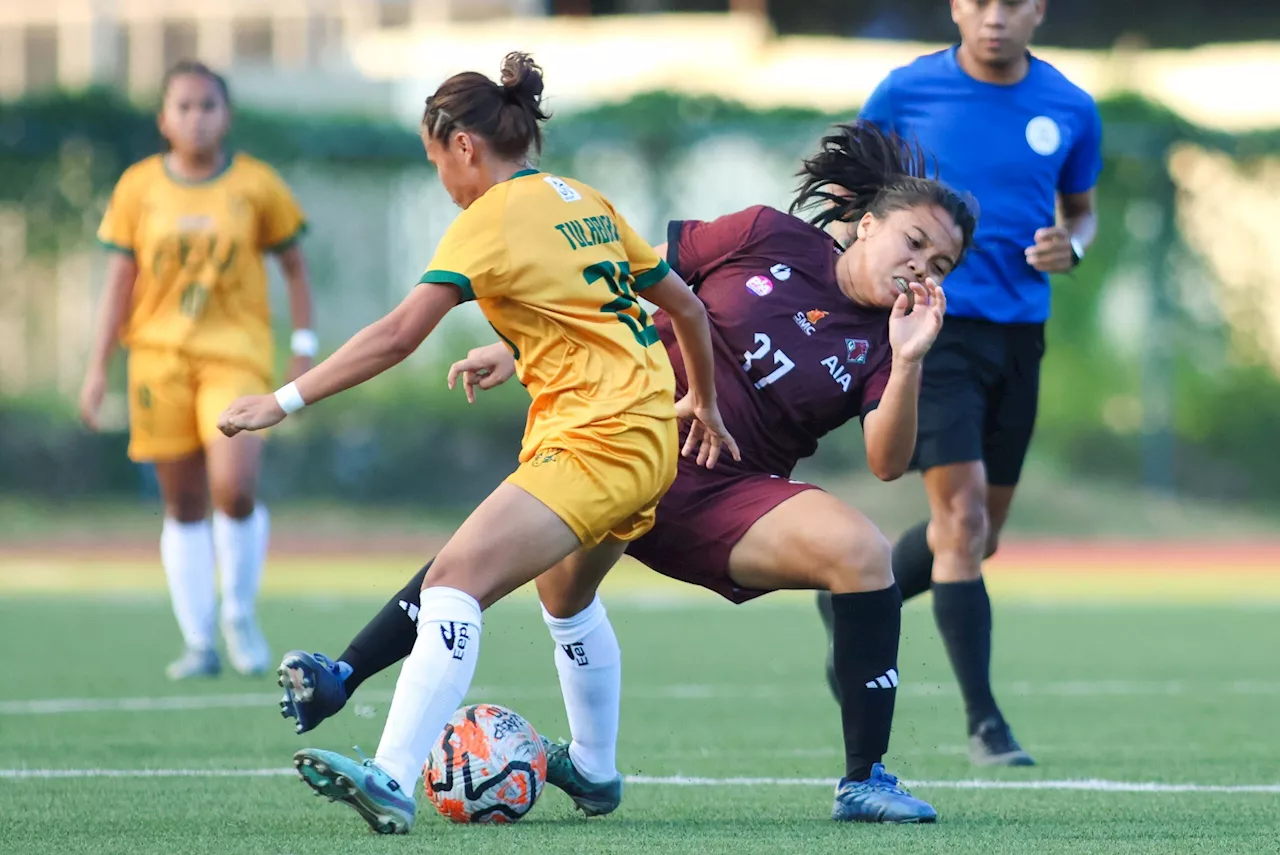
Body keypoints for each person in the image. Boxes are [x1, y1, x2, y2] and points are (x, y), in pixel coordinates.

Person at [273, 121, 977, 824]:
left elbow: (887, 463)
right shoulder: (767, 233)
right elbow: (622, 287)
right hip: (622, 435)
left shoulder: (895, 341)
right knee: (527, 580)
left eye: (942, 265)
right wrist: (515, 349)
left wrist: (910, 357)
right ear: (867, 223)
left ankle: (864, 779)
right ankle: (569, 759)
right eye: (915, 243)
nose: (924, 268)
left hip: (728, 495)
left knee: (863, 553)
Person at [217, 52, 735, 835]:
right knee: (566, 598)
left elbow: (396, 336)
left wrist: (282, 401)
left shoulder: (486, 217)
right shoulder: (582, 199)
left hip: (597, 437)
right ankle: (594, 769)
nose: (445, 185)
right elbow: (683, 309)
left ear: (463, 145)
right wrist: (701, 398)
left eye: (438, 164)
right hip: (647, 431)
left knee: (455, 578)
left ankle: (391, 776)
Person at [816, 0, 1103, 767]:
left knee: (978, 534)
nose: (995, 16)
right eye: (979, 1)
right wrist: (856, 282)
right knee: (964, 515)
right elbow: (855, 199)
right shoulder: (907, 90)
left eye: (1013, 3)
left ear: (1038, 10)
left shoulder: (1071, 107)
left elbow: (1082, 213)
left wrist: (1070, 247)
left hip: (1019, 336)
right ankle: (986, 724)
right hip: (932, 332)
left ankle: (851, 589)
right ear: (955, 7)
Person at [80, 60, 315, 680]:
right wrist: (98, 366)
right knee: (182, 503)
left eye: (208, 105)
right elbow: (120, 280)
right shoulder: (138, 187)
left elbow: (294, 265)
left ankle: (238, 614)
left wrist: (304, 343)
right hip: (157, 360)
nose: (196, 117)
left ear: (226, 114)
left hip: (233, 355)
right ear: (163, 118)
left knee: (233, 489)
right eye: (183, 106)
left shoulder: (256, 185)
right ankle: (199, 640)